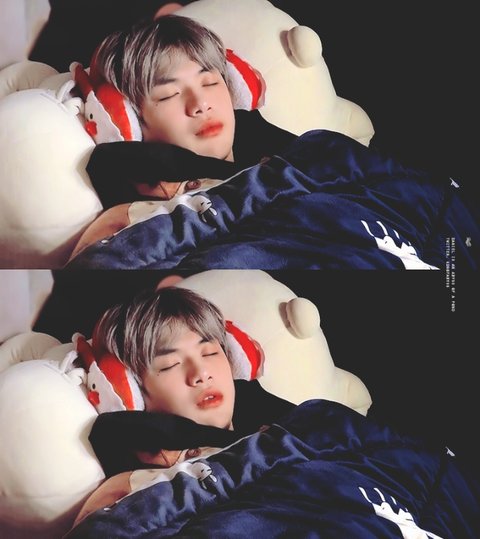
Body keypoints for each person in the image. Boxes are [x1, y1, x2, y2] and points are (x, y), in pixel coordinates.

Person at [68, 14, 295, 260]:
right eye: (168, 94)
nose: (201, 104)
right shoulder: (132, 223)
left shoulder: (294, 156)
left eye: (209, 82)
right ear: (130, 123)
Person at [72, 286, 294, 526]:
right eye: (170, 364)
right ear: (132, 393)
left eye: (209, 353)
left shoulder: (290, 426)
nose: (201, 374)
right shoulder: (131, 492)